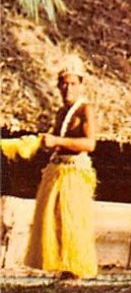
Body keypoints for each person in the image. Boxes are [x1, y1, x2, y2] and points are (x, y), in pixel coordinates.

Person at [25, 55, 99, 280]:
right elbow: (59, 142)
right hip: (58, 169)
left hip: (75, 172)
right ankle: (63, 267)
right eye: (64, 83)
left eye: (73, 83)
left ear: (81, 84)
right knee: (54, 218)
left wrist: (57, 142)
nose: (68, 88)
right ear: (58, 86)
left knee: (72, 219)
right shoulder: (61, 112)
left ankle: (75, 269)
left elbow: (90, 143)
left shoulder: (85, 110)